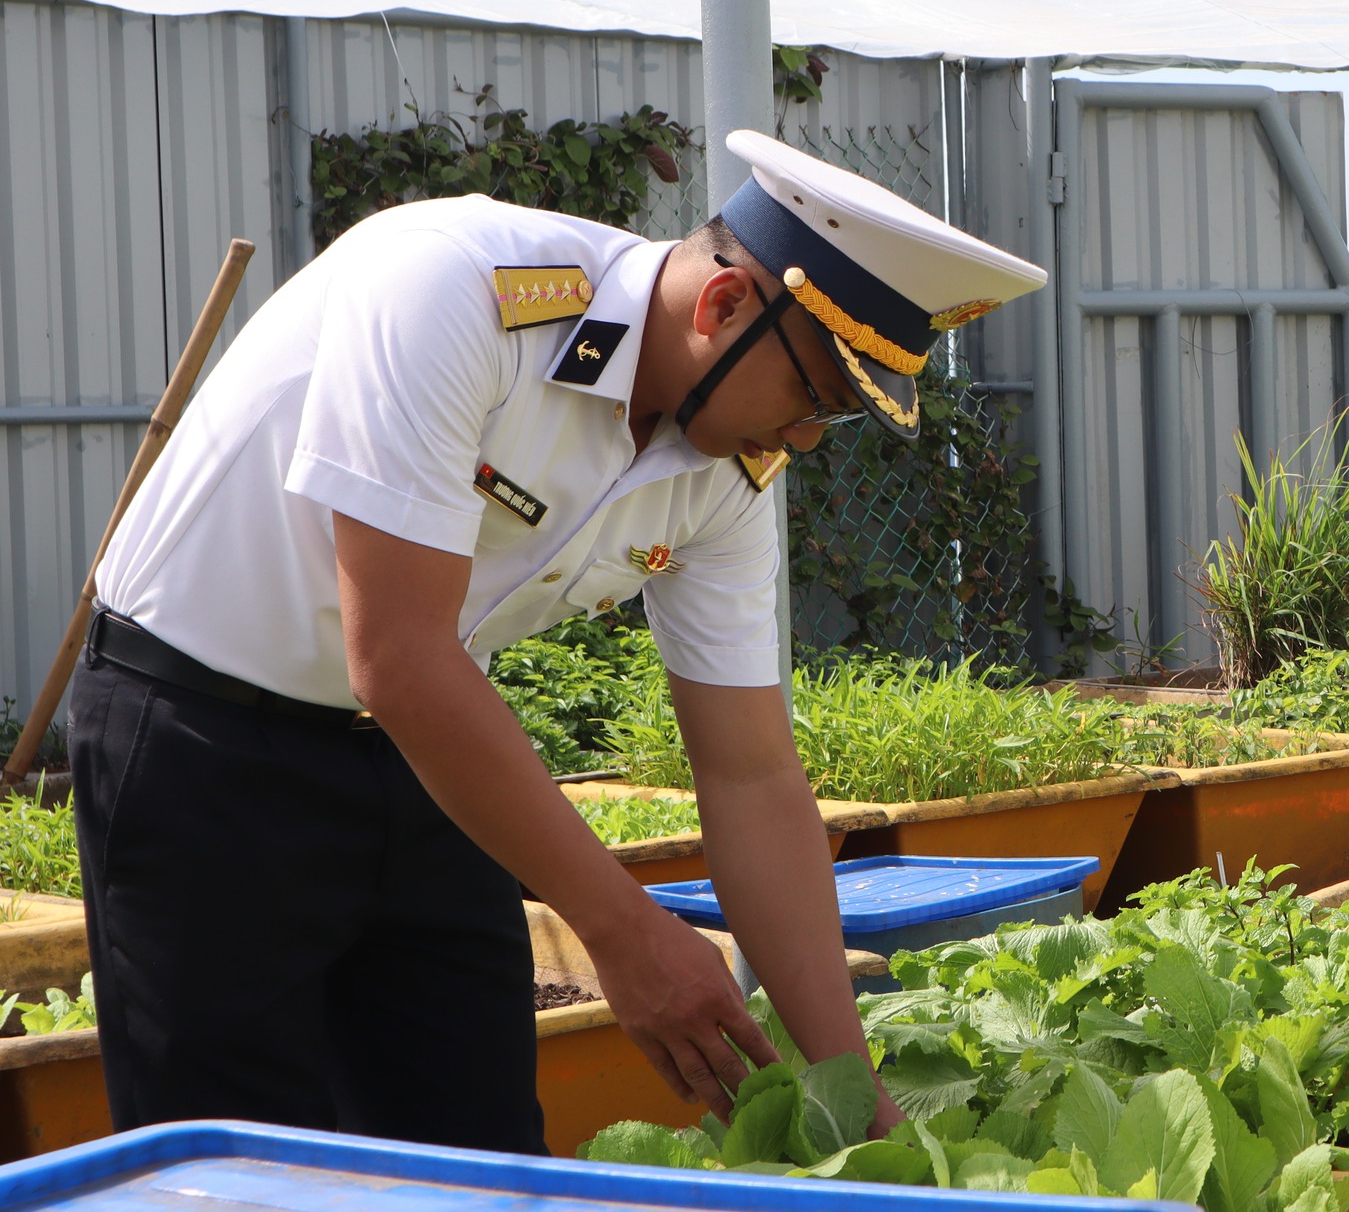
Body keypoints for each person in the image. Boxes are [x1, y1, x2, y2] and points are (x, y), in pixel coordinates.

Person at [71, 129, 1043, 1153]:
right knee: (238, 1176)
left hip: (430, 758)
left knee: (482, 1165)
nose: (803, 438)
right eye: (815, 397)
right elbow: (397, 653)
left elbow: (752, 773)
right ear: (722, 306)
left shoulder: (726, 468)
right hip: (206, 745)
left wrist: (863, 1104)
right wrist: (623, 932)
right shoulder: (456, 291)